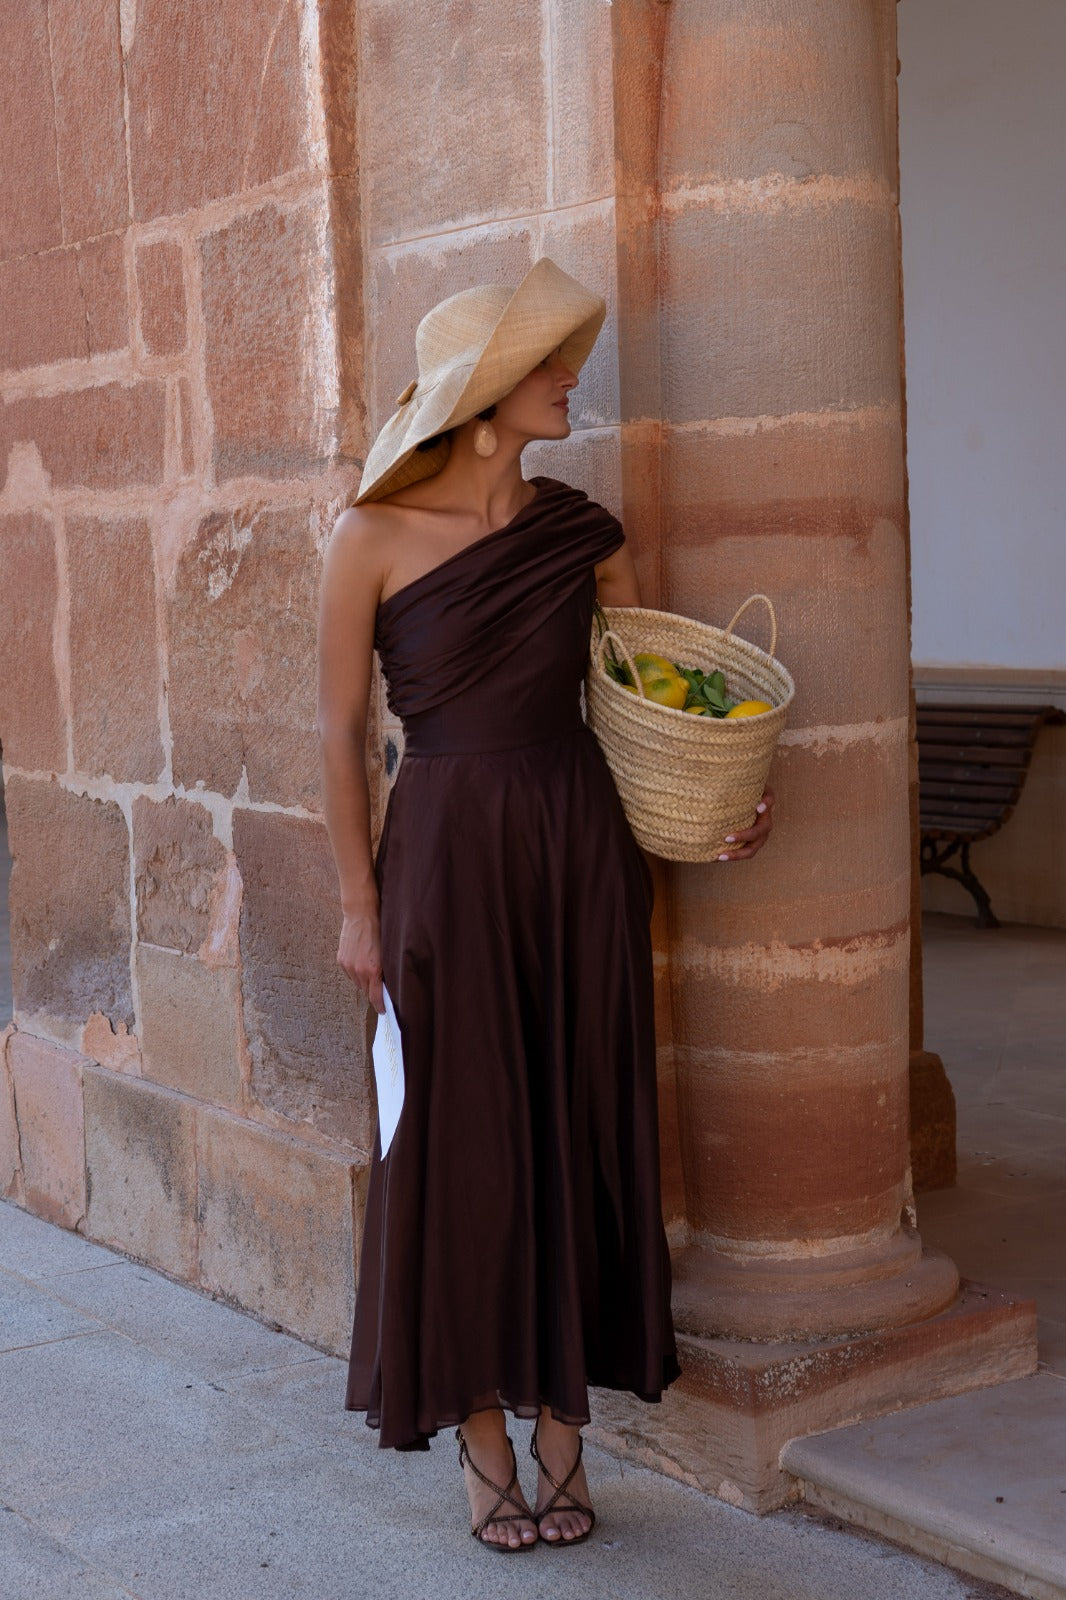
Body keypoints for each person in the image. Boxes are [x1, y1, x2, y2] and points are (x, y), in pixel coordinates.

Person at [316, 259, 774, 1554]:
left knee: (576, 1119)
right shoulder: (367, 538)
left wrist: (715, 807)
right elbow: (338, 730)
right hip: (443, 857)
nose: (572, 380)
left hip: (576, 848)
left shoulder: (587, 536)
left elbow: (642, 708)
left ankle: (565, 1431)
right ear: (481, 402)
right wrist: (358, 903)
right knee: (455, 1139)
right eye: (548, 366)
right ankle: (478, 1435)